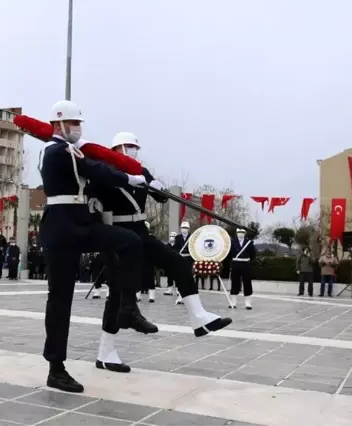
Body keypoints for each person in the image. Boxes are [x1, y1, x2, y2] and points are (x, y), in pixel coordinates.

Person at [38, 100, 161, 393]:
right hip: (60, 227)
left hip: (80, 223)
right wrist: (131, 177)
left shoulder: (69, 150)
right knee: (60, 299)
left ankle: (127, 308)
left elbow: (90, 168)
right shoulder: (56, 150)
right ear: (59, 124)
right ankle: (56, 368)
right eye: (75, 123)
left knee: (130, 242)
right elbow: (94, 170)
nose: (79, 128)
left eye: (80, 124)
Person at [86, 130, 231, 373]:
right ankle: (106, 352)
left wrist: (156, 186)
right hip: (118, 234)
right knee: (117, 296)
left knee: (177, 262)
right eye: (127, 147)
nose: (132, 151)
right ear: (115, 150)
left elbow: (160, 197)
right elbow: (94, 205)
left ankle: (199, 317)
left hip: (140, 231)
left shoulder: (140, 170)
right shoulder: (104, 172)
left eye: (134, 147)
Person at [229, 228, 256, 309]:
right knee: (235, 283)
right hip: (236, 264)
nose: (240, 234)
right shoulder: (232, 242)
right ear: (236, 233)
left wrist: (248, 261)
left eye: (242, 232)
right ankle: (233, 302)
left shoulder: (249, 243)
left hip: (246, 264)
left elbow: (253, 254)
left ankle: (248, 303)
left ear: (245, 233)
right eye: (239, 232)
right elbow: (229, 254)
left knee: (247, 283)